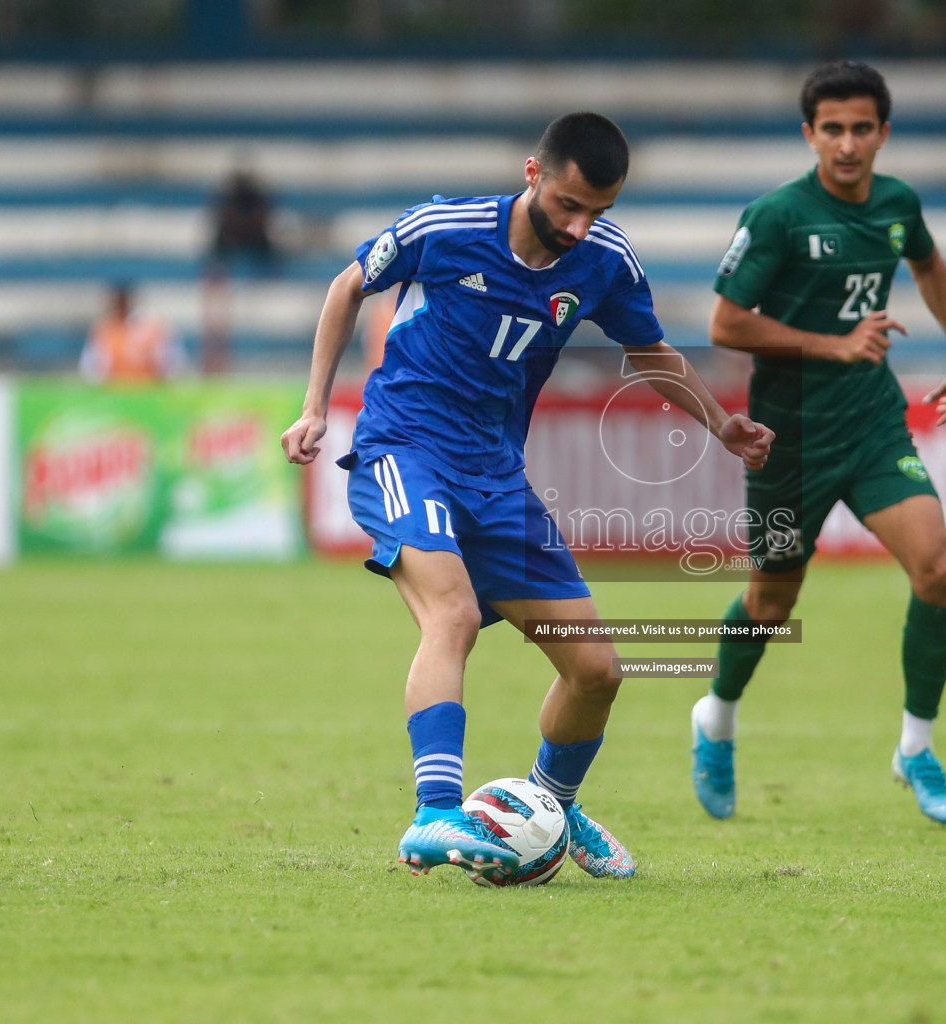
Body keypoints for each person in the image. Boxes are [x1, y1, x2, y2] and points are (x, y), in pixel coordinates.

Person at [280, 113, 774, 883]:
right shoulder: (447, 228)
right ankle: (433, 813)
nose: (580, 228)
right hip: (404, 448)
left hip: (496, 475)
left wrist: (719, 424)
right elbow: (349, 285)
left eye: (599, 212)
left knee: (598, 672)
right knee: (455, 613)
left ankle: (550, 805)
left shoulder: (603, 261)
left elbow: (648, 349)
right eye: (570, 205)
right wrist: (315, 405)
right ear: (532, 174)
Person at [689, 61, 946, 825]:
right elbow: (725, 324)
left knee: (939, 570)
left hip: (873, 424)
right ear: (809, 134)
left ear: (883, 132)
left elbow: (928, 261)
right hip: (789, 438)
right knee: (771, 602)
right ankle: (715, 719)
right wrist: (835, 343)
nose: (847, 144)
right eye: (832, 129)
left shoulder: (897, 202)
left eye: (861, 128)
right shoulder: (778, 215)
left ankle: (916, 747)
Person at [79, 283, 185, 383]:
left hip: (149, 388)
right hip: (114, 388)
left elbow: (170, 362)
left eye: (123, 302)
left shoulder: (152, 327)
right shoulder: (104, 329)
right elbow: (91, 367)